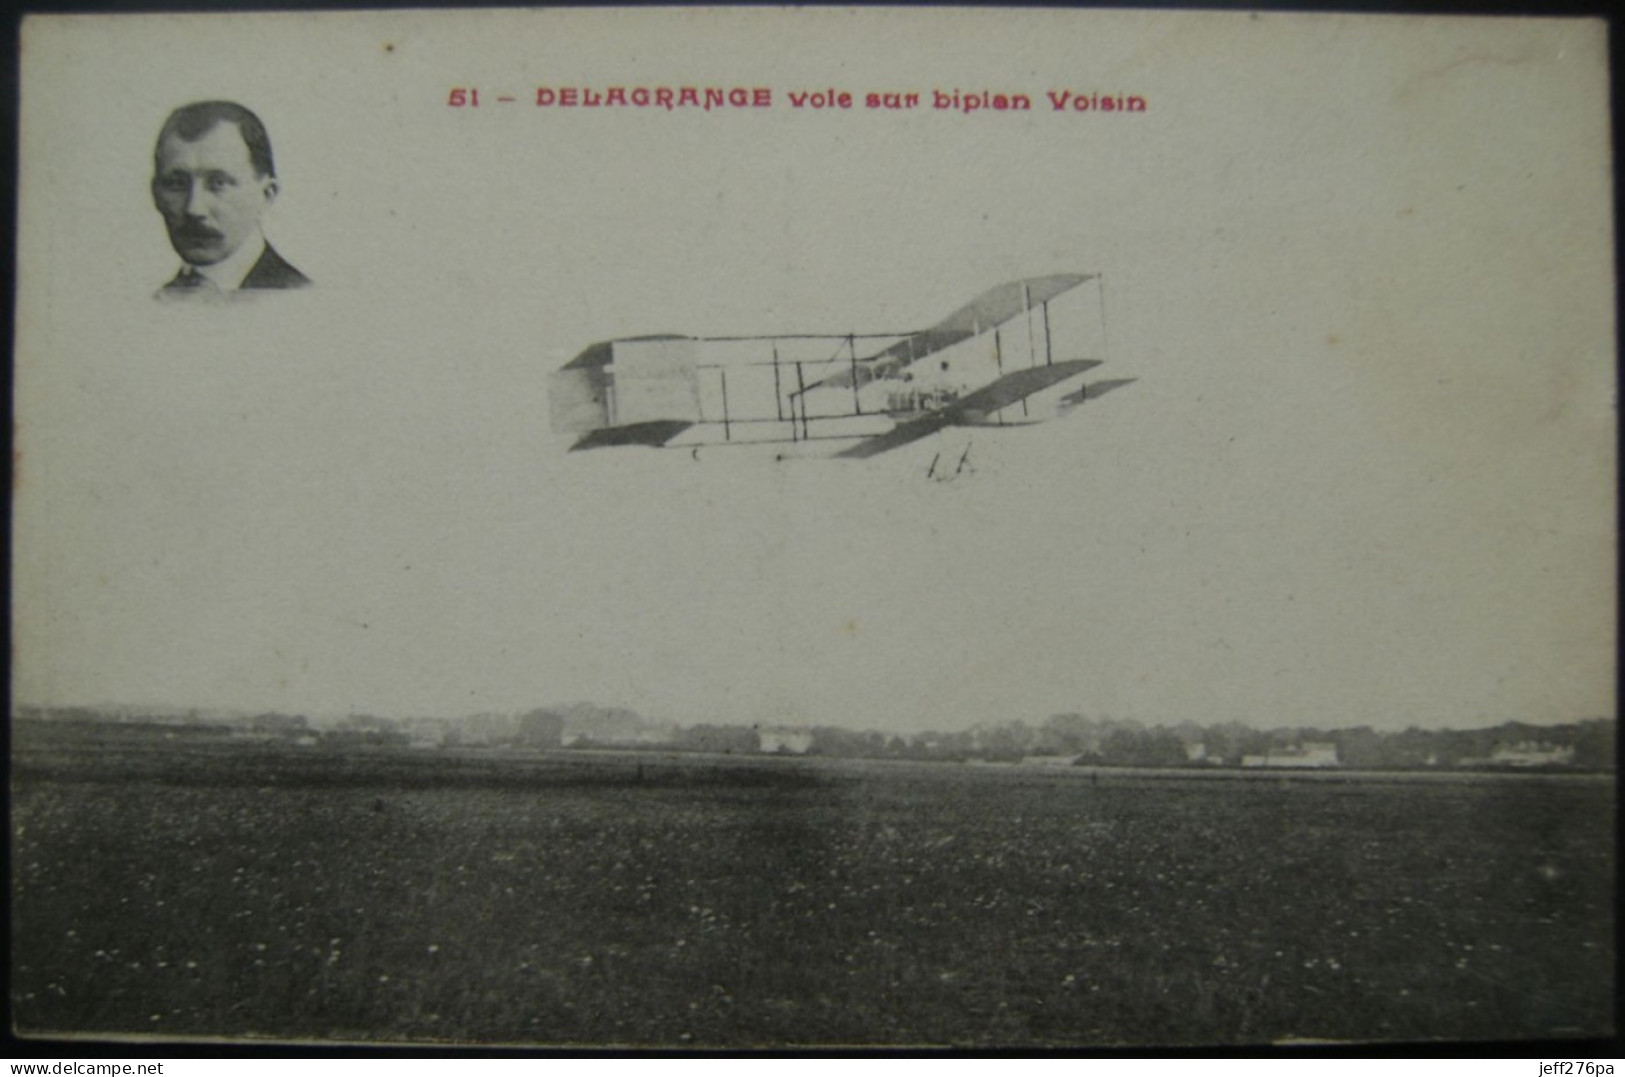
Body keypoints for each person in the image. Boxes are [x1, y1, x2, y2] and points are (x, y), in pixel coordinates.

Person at [151, 101, 310, 298]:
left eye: (218, 183)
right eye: (176, 184)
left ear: (267, 194)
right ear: (155, 194)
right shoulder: (161, 300)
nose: (194, 208)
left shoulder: (299, 295)